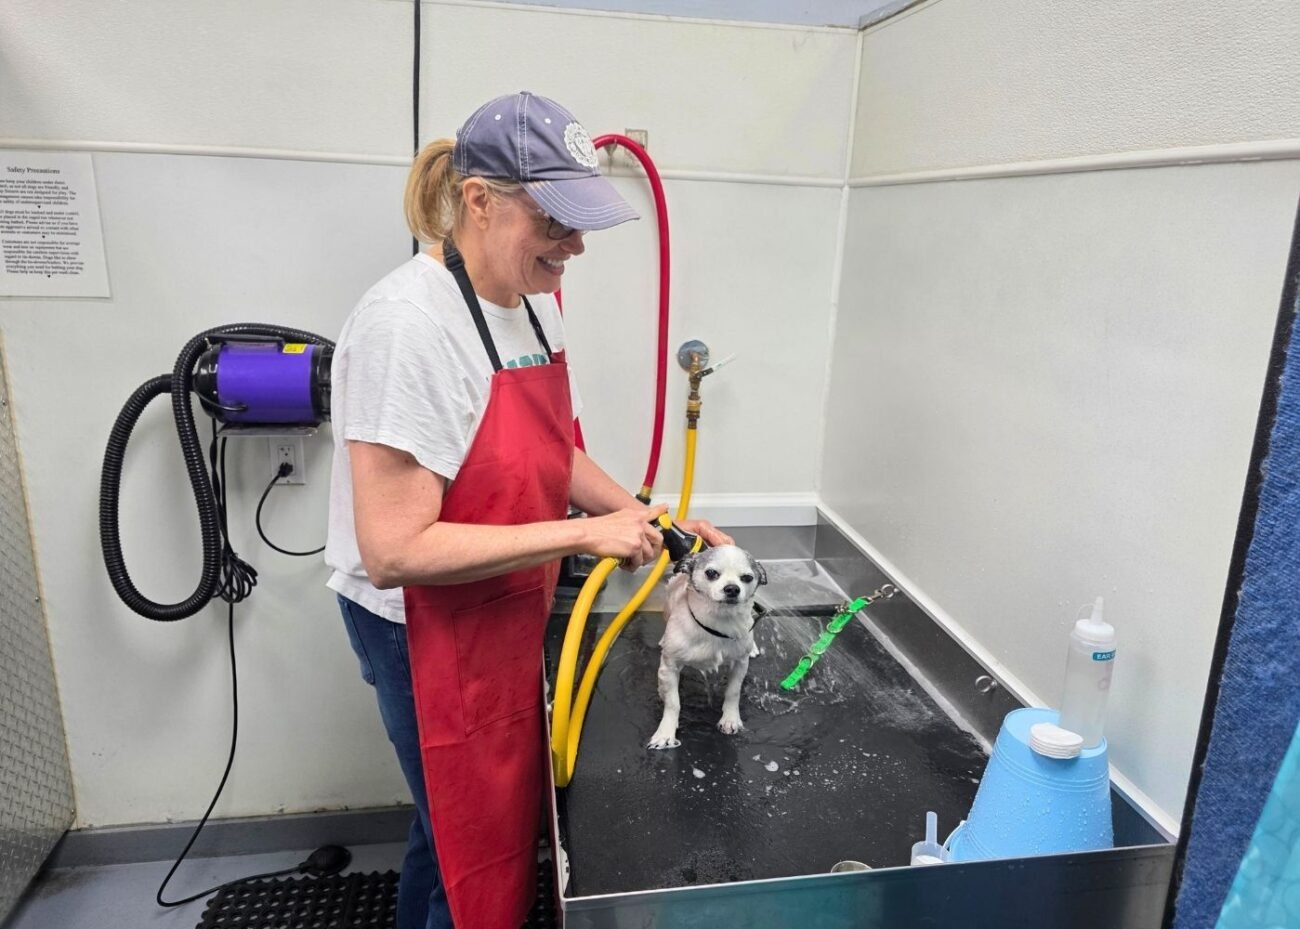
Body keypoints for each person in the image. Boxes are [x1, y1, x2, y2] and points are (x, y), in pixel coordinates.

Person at [324, 91, 731, 929]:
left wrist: (658, 522)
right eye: (557, 222)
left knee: (452, 828)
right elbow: (393, 547)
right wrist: (587, 532)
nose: (575, 246)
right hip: (421, 626)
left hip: (499, 606)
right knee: (465, 839)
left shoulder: (532, 303)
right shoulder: (407, 327)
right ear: (479, 200)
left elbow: (551, 452)